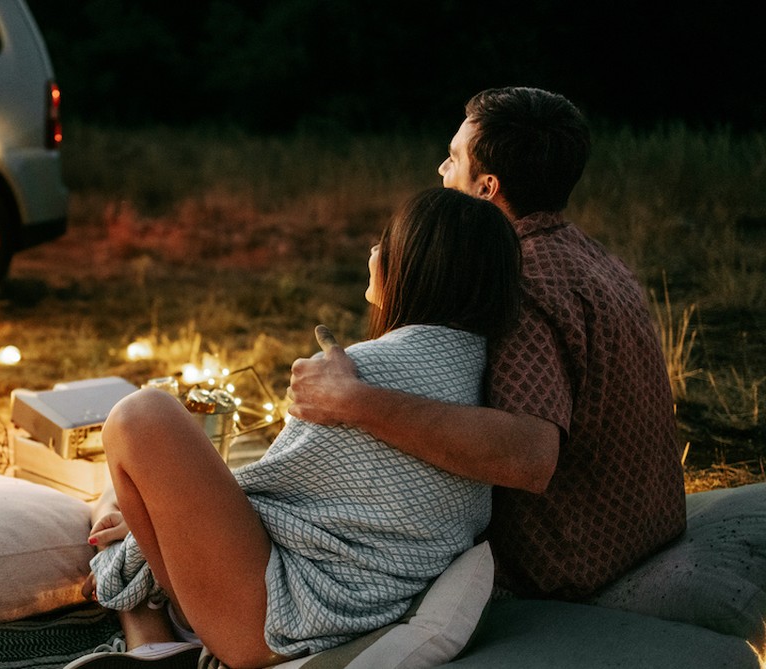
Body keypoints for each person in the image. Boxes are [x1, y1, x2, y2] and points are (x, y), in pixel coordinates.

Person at [67, 187, 522, 669]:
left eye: (386, 241)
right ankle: (150, 636)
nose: (373, 252)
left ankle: (150, 633)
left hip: (278, 619)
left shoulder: (363, 372)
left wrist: (147, 530)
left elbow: (263, 492)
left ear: (415, 266)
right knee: (118, 503)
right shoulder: (478, 384)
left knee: (140, 418)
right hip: (358, 604)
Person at [288, 87, 687, 601]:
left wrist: (353, 401)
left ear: (485, 188)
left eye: (454, 160)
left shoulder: (518, 280)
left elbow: (529, 455)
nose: (440, 170)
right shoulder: (589, 256)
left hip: (569, 561)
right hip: (643, 526)